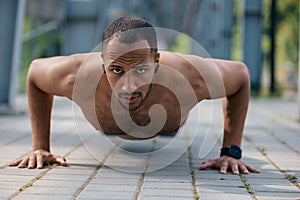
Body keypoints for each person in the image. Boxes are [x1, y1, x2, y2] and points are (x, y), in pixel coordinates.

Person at [9, 17, 260, 174]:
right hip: (108, 127)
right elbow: (34, 73)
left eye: (141, 70)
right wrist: (40, 148)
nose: (128, 86)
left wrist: (231, 152)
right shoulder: (76, 77)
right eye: (116, 70)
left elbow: (241, 75)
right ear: (102, 63)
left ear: (157, 60)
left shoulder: (191, 78)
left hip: (168, 125)